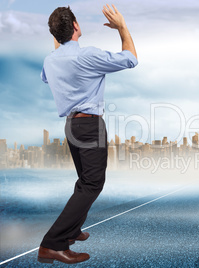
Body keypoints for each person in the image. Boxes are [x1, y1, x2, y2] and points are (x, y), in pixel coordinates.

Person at [38, 4, 138, 264]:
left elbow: (47, 78)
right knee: (93, 184)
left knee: (84, 181)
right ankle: (52, 244)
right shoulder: (87, 56)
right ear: (76, 27)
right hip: (90, 125)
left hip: (71, 126)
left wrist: (60, 38)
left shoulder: (51, 59)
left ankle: (71, 231)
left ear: (55, 33)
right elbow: (131, 59)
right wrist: (122, 27)